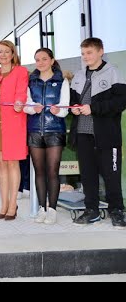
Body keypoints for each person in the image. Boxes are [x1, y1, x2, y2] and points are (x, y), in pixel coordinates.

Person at [70, 37, 126, 228]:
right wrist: (74, 108)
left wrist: (94, 108)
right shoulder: (78, 76)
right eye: (83, 53)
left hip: (107, 136)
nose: (86, 57)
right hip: (83, 134)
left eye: (90, 52)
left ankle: (117, 211)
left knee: (111, 175)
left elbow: (120, 103)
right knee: (88, 176)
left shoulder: (113, 73)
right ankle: (91, 210)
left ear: (100, 52)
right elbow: (73, 101)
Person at [23, 48, 69, 224]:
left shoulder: (62, 80)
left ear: (51, 60)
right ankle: (42, 208)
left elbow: (65, 107)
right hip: (35, 131)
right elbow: (27, 106)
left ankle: (53, 209)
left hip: (55, 131)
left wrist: (58, 111)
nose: (40, 62)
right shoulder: (31, 81)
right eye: (37, 60)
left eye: (44, 59)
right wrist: (32, 108)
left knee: (52, 171)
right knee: (39, 172)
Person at [0, 40, 28, 221]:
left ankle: (13, 204)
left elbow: (21, 92)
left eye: (6, 51)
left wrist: (20, 102)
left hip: (14, 120)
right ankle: (3, 204)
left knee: (12, 163)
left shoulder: (21, 71)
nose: (3, 55)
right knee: (0, 163)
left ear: (13, 54)